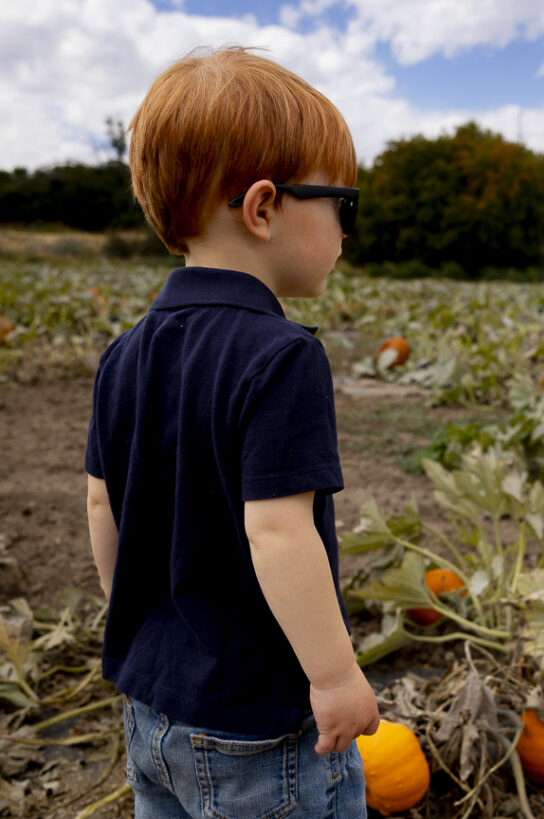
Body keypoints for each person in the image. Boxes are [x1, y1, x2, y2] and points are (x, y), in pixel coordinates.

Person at [85, 46, 380, 818]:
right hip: (260, 731)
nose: (347, 232)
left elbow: (100, 504)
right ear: (263, 208)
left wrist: (146, 624)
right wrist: (336, 677)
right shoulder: (284, 356)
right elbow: (279, 535)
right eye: (342, 204)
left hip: (150, 709)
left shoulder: (123, 353)